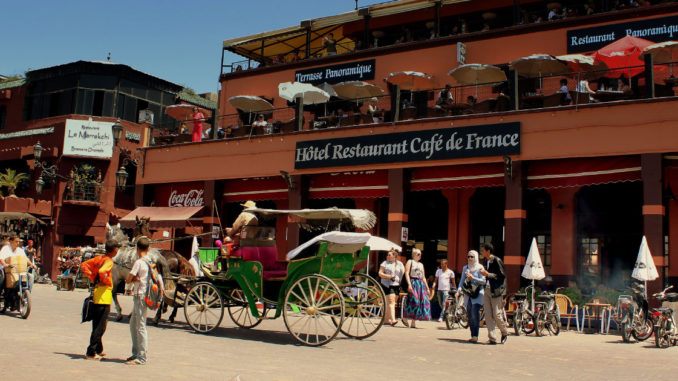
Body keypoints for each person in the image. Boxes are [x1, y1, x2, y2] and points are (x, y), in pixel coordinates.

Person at [80, 239, 120, 360]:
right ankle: (91, 352)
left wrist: (93, 277)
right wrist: (106, 280)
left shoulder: (99, 258)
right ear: (113, 251)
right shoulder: (108, 261)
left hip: (97, 293)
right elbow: (103, 271)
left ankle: (98, 348)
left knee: (97, 323)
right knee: (100, 326)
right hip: (104, 295)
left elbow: (84, 265)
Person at [125, 236, 155, 365]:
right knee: (133, 324)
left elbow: (127, 279)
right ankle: (136, 352)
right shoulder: (150, 260)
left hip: (140, 295)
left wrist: (134, 278)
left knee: (140, 326)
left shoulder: (139, 262)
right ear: (148, 248)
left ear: (137, 248)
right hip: (145, 294)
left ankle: (141, 357)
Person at [479, 243, 509, 344]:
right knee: (487, 315)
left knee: (496, 314)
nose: (481, 252)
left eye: (483, 250)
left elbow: (501, 276)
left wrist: (487, 274)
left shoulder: (497, 260)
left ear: (488, 251)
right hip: (487, 289)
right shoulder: (486, 261)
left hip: (496, 291)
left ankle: (504, 332)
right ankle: (492, 338)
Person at [0, 235, 38, 312]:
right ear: (11, 242)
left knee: (30, 276)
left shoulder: (20, 250)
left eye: (18, 242)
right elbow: (1, 258)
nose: (18, 243)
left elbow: (25, 259)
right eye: (16, 241)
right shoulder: (6, 249)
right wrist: (5, 264)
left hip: (18, 271)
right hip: (6, 270)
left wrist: (32, 265)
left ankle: (25, 294)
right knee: (1, 281)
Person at [456, 250, 485, 343]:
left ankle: (475, 335)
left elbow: (483, 281)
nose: (470, 258)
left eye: (472, 257)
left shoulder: (480, 267)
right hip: (468, 294)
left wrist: (473, 278)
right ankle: (473, 335)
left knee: (474, 313)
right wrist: (458, 291)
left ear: (476, 257)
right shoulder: (465, 268)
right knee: (469, 314)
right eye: (468, 257)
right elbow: (462, 280)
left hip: (478, 294)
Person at [402, 248, 431, 328]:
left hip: (420, 283)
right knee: (414, 301)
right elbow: (407, 273)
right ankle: (405, 318)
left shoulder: (421, 264)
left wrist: (427, 288)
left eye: (420, 254)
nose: (420, 255)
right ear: (414, 255)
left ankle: (413, 322)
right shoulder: (410, 262)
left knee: (422, 302)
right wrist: (409, 284)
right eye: (418, 254)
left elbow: (423, 277)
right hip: (413, 282)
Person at [379, 248, 404, 326]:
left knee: (389, 302)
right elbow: (380, 273)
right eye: (387, 255)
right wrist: (388, 276)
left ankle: (386, 319)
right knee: (391, 301)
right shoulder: (385, 263)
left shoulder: (399, 264)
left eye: (389, 255)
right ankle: (393, 319)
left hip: (396, 284)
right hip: (387, 284)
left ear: (394, 256)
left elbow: (402, 273)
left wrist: (402, 282)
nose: (388, 256)